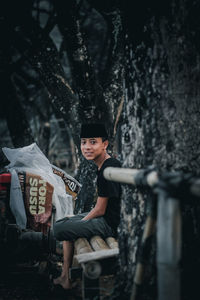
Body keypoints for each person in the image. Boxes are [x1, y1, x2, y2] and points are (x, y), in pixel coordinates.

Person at [53, 123, 121, 290]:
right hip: (106, 219)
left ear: (105, 144)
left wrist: (82, 221)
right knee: (67, 223)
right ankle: (65, 277)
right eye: (84, 142)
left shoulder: (108, 168)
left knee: (59, 228)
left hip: (110, 224)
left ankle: (65, 277)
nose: (87, 147)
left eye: (93, 142)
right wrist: (77, 221)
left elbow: (100, 210)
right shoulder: (105, 165)